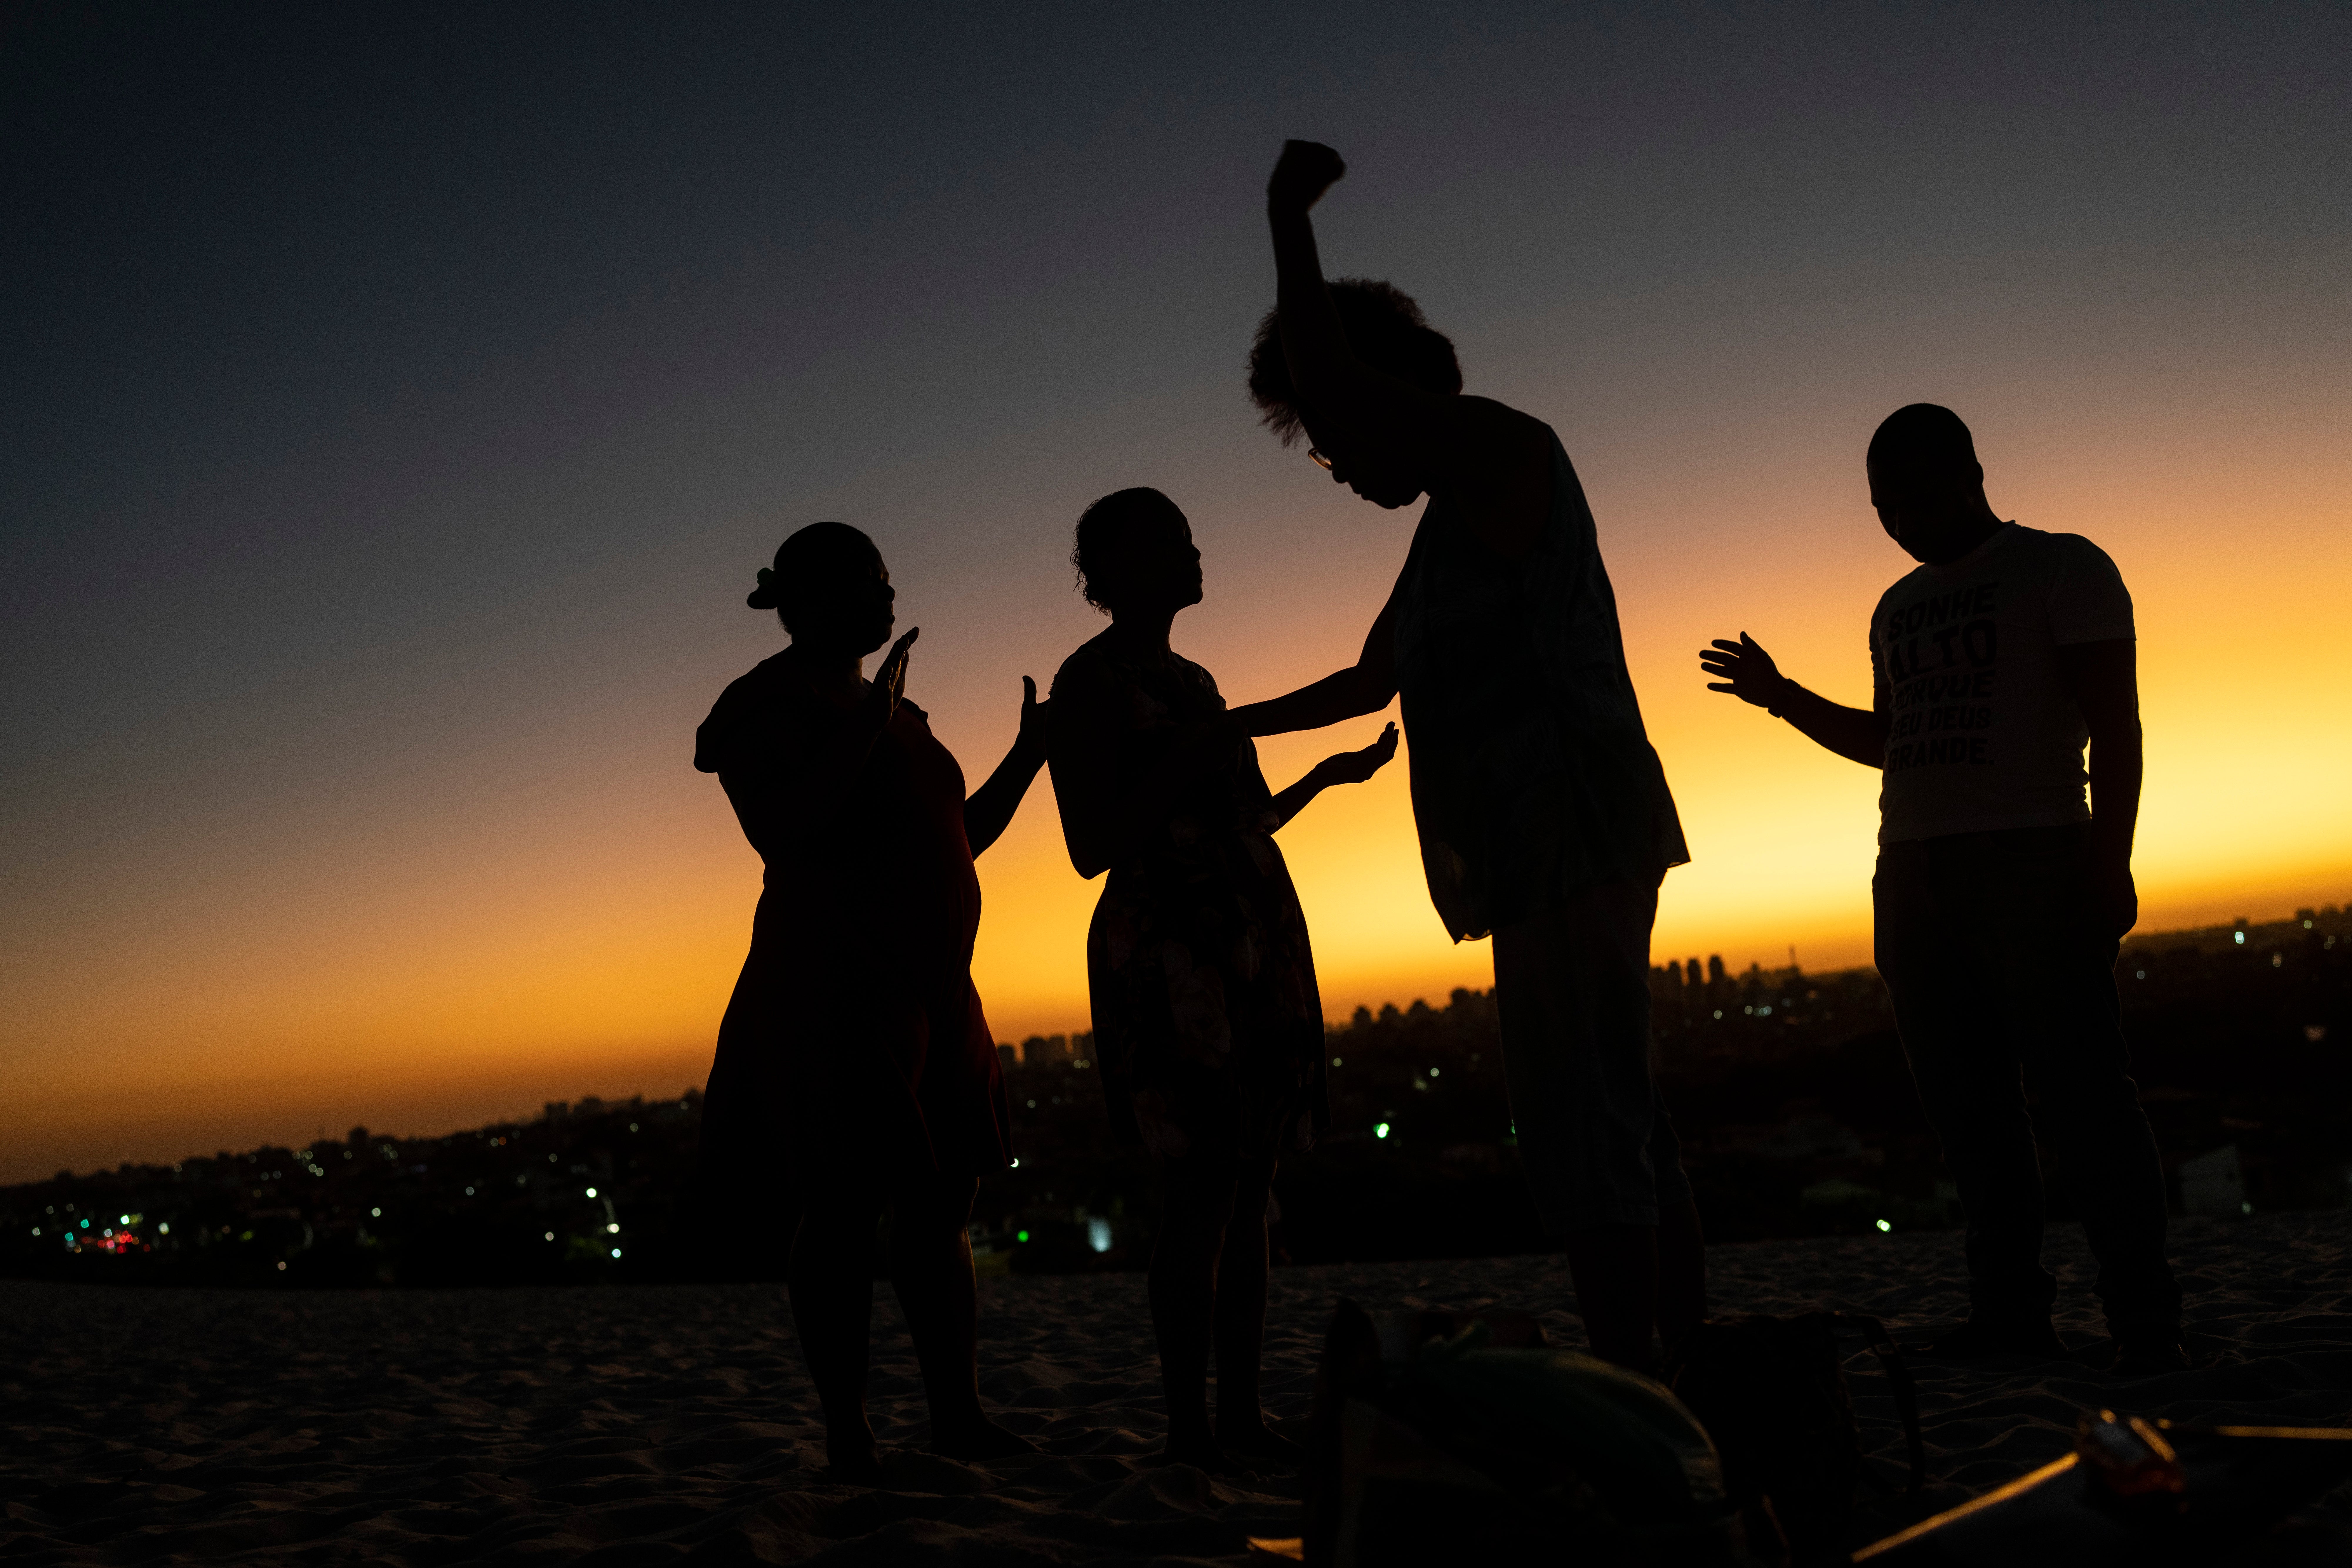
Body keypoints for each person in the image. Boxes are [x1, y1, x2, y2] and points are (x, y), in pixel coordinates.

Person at [1224, 141, 1701, 1371]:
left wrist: (1284, 215)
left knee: (1581, 1118)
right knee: (1609, 1103)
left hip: (1571, 826)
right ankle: (1669, 1357)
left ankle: (1636, 1380)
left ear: (1385, 401)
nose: (1334, 470)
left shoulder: (1500, 449)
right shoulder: (1445, 529)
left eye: (1332, 446)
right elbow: (1363, 679)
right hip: (1527, 842)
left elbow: (1331, 378)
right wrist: (1223, 726)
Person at [1698, 403, 2185, 1375]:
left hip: (2034, 859)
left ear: (1967, 473)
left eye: (1907, 494)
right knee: (1973, 1119)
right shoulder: (1895, 608)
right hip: (1912, 875)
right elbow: (1893, 745)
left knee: (2086, 1100)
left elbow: (2117, 729)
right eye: (1880, 505)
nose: (1893, 518)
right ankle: (2011, 1318)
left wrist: (2110, 862)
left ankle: (2144, 1320)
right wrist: (1782, 697)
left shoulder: (2063, 567)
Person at [1047, 486, 1396, 1473]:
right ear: (1109, 568)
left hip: (1249, 938)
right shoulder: (1092, 682)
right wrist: (1192, 755)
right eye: (1168, 539)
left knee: (1252, 1190)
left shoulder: (1197, 681)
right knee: (1199, 1193)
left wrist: (1324, 778)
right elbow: (1093, 845)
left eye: (1190, 536)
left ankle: (1239, 1418)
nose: (1194, 552)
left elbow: (1242, 818)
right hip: (1168, 952)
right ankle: (1191, 1429)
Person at [691, 521, 1048, 1482]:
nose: (888, 597)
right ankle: (850, 1435)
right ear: (803, 602)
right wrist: (872, 712)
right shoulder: (759, 707)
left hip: (937, 991)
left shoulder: (902, 712)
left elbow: (957, 835)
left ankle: (957, 1416)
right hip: (834, 986)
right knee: (844, 1205)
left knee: (944, 1202)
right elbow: (788, 830)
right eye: (865, 581)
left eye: (888, 580)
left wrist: (1029, 755)